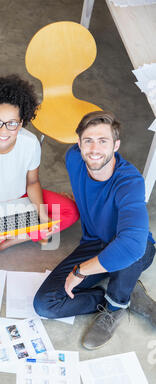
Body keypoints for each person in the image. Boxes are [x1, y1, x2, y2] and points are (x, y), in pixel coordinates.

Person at [33, 111, 156, 349]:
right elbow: (91, 194)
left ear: (116, 145)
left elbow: (132, 243)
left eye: (103, 141)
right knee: (45, 305)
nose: (94, 148)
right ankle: (124, 293)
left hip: (138, 250)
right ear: (78, 144)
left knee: (131, 250)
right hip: (94, 243)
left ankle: (115, 306)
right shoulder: (74, 158)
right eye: (88, 140)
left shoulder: (130, 182)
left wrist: (81, 272)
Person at [0, 74, 79, 264]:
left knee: (71, 212)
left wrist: (43, 216)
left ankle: (2, 245)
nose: (3, 131)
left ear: (21, 122)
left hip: (22, 198)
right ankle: (28, 231)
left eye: (12, 123)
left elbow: (33, 182)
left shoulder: (30, 143)